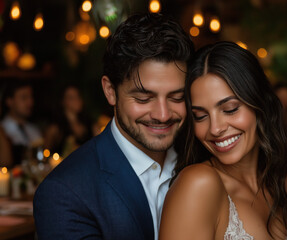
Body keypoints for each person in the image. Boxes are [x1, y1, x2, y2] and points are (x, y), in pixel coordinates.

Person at [33, 13, 194, 240]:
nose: (163, 115)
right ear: (110, 91)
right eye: (143, 99)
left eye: (177, 97)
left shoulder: (200, 159)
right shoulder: (65, 193)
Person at [159, 41, 287, 240]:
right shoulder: (198, 185)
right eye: (200, 116)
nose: (215, 128)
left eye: (230, 109)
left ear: (259, 104)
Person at [43, 84, 93, 158]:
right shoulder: (55, 128)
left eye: (78, 96)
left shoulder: (90, 125)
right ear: (63, 101)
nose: (76, 100)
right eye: (71, 98)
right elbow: (45, 154)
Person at [1, 79, 42, 167]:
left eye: (31, 97)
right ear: (9, 101)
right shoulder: (3, 130)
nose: (30, 102)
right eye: (24, 98)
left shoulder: (33, 129)